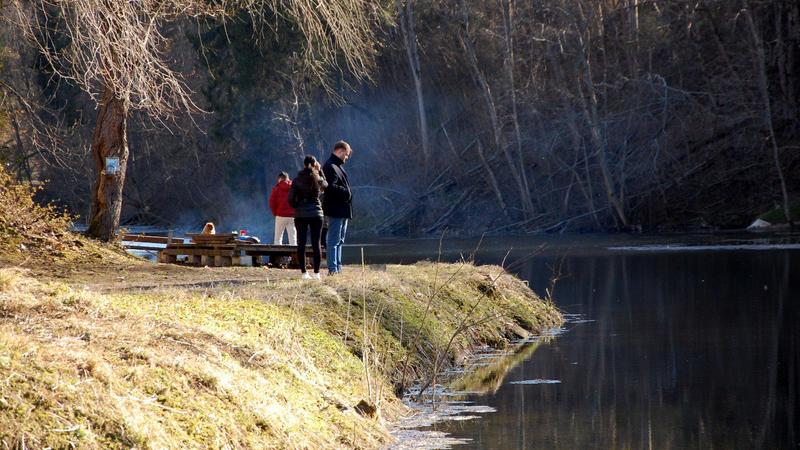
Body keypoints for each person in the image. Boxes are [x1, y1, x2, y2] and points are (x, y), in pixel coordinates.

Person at [289, 156, 327, 280]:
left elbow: (290, 199)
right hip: (316, 213)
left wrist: (298, 206)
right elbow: (326, 185)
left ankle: (304, 273)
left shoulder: (296, 180)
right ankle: (316, 273)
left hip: (301, 215)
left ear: (304, 164)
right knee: (317, 243)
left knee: (301, 243)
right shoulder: (318, 178)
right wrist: (320, 170)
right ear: (314, 164)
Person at [322, 141, 353, 275]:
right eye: (345, 155)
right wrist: (346, 192)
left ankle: (338, 267)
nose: (346, 158)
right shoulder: (330, 166)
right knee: (333, 241)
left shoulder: (337, 166)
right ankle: (333, 269)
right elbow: (330, 187)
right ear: (339, 151)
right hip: (335, 209)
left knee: (340, 240)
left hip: (342, 209)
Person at [268, 171, 296, 246]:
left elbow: (271, 202)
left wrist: (275, 213)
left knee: (278, 238)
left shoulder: (276, 188)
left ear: (280, 179)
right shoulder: (294, 188)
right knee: (293, 239)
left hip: (280, 215)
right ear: (288, 178)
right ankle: (294, 256)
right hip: (292, 216)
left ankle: (278, 256)